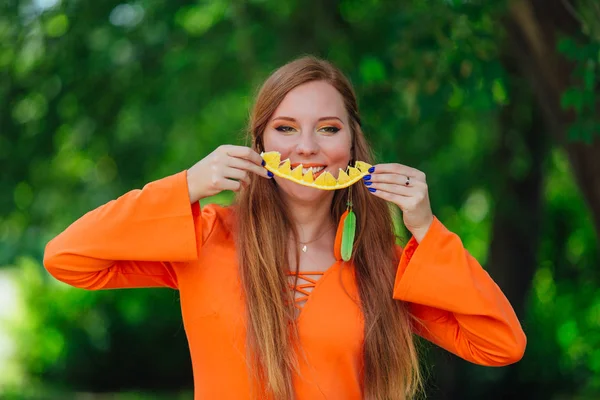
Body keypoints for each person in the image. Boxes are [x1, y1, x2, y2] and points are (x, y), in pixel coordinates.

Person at [44, 56, 526, 400]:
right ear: (259, 146)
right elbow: (67, 258)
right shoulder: (208, 236)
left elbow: (501, 344)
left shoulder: (387, 265)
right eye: (286, 128)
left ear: (354, 146)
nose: (307, 148)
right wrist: (186, 186)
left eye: (329, 129)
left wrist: (426, 230)